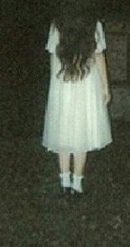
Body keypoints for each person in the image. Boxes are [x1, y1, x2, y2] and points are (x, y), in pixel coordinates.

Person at [42, 13, 112, 195]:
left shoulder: (58, 23)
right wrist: (105, 86)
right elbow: (99, 56)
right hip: (86, 82)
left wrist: (55, 84)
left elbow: (53, 56)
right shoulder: (93, 23)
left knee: (63, 129)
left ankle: (65, 179)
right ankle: (76, 182)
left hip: (64, 81)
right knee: (82, 129)